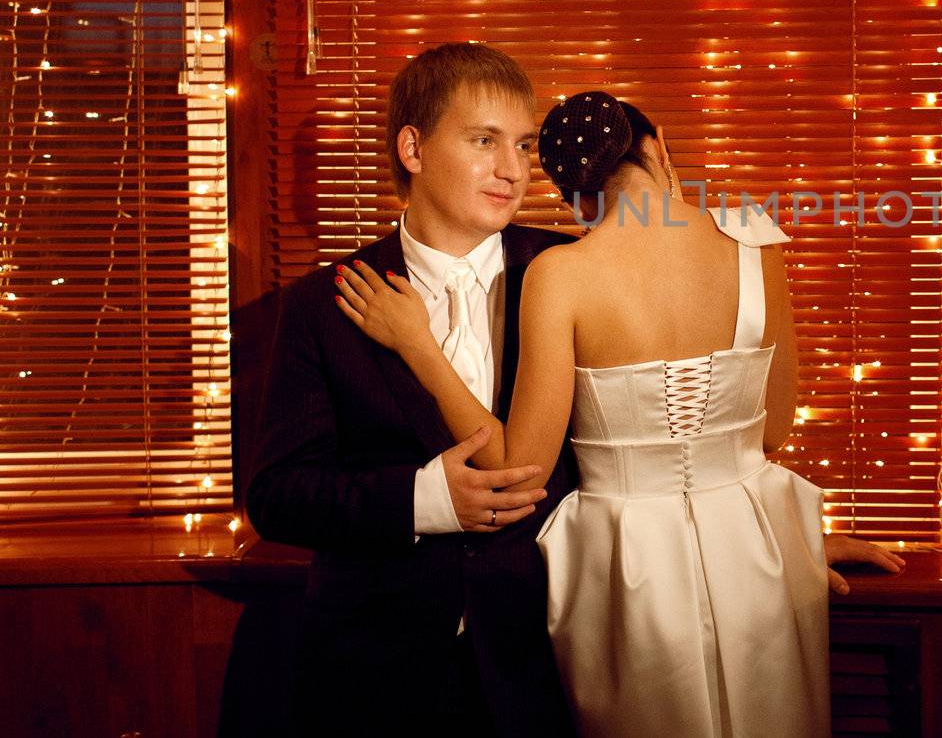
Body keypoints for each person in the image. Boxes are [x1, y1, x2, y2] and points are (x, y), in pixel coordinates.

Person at [336, 90, 902, 737]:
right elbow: (772, 429)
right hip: (757, 547)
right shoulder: (753, 241)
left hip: (629, 559)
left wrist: (417, 344)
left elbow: (519, 468)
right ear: (659, 145)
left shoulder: (562, 274)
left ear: (574, 194)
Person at [245, 43, 578, 737]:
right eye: (484, 140)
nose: (514, 170)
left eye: (523, 144)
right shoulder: (321, 302)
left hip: (543, 663)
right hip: (371, 674)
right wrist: (425, 499)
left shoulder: (569, 272)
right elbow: (277, 494)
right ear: (413, 147)